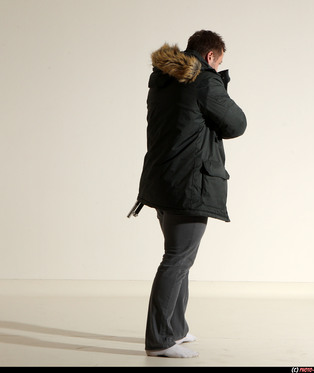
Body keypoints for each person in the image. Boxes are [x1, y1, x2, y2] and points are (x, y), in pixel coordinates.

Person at [129, 30, 247, 358]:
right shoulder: (204, 82)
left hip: (162, 181)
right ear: (210, 57)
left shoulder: (163, 81)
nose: (218, 66)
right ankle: (160, 339)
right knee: (178, 259)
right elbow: (237, 123)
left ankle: (176, 328)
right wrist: (217, 83)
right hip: (189, 183)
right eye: (219, 62)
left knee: (181, 256)